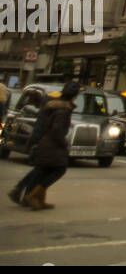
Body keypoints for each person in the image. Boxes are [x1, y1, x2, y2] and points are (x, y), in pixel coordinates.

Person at [9, 80, 79, 210]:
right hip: (50, 141)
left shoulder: (52, 103)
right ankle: (32, 196)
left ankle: (25, 194)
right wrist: (63, 144)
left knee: (42, 169)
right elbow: (57, 129)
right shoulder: (63, 108)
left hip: (44, 138)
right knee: (57, 169)